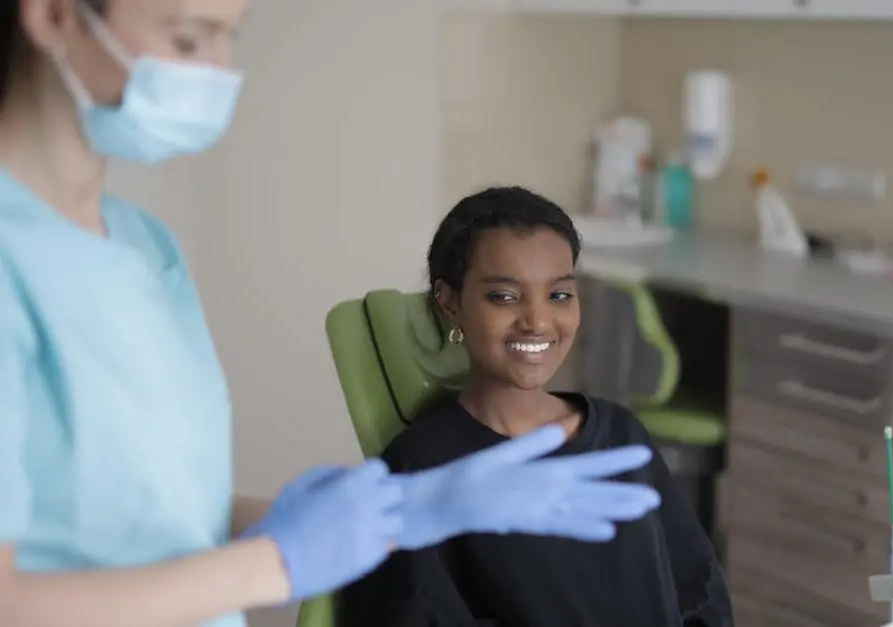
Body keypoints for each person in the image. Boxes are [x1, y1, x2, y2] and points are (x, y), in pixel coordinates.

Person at [0, 2, 664, 627]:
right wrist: (278, 561)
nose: (217, 73)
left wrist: (394, 517)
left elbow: (141, 515)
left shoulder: (142, 245)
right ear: (54, 15)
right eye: (187, 39)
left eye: (232, 37)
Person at [339, 186, 734, 627]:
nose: (539, 321)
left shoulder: (620, 436)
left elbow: (700, 592)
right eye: (504, 297)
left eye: (559, 295)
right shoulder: (422, 468)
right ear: (449, 301)